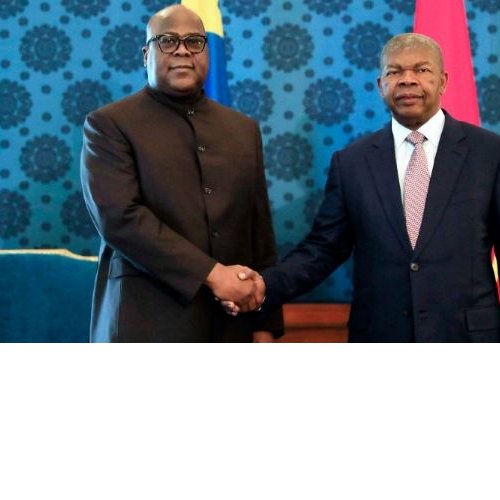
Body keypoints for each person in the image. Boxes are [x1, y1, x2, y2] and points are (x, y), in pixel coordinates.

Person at [225, 33, 500, 342]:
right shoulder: (352, 162)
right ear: (381, 85)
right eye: (394, 71)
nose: (407, 80)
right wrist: (263, 285)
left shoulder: (489, 153)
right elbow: (323, 249)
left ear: (443, 81)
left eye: (422, 70)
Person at [80, 5, 282, 342]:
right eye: (168, 40)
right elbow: (119, 218)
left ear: (207, 52)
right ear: (146, 54)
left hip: (230, 325)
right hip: (144, 322)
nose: (183, 50)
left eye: (194, 41)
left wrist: (265, 325)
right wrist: (213, 274)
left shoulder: (243, 129)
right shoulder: (109, 124)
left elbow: (259, 231)